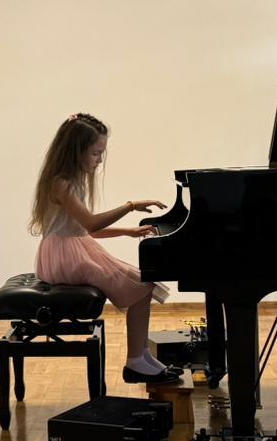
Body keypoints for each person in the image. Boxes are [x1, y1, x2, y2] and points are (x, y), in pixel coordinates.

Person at [29, 113, 179, 383]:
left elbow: (86, 230)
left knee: (144, 285)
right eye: (96, 153)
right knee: (140, 287)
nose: (99, 160)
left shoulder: (69, 182)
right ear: (76, 151)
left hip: (72, 249)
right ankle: (135, 362)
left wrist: (128, 231)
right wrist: (130, 206)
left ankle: (142, 355)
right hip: (63, 258)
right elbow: (91, 223)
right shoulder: (62, 184)